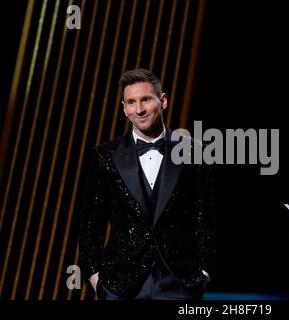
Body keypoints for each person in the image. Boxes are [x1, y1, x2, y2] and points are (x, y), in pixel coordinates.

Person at [79, 68, 216, 300]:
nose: (139, 109)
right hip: (119, 285)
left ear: (162, 101)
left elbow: (206, 218)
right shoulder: (105, 155)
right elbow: (90, 225)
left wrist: (203, 273)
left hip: (180, 283)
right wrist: (96, 278)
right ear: (124, 108)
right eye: (131, 102)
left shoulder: (196, 151)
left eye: (145, 100)